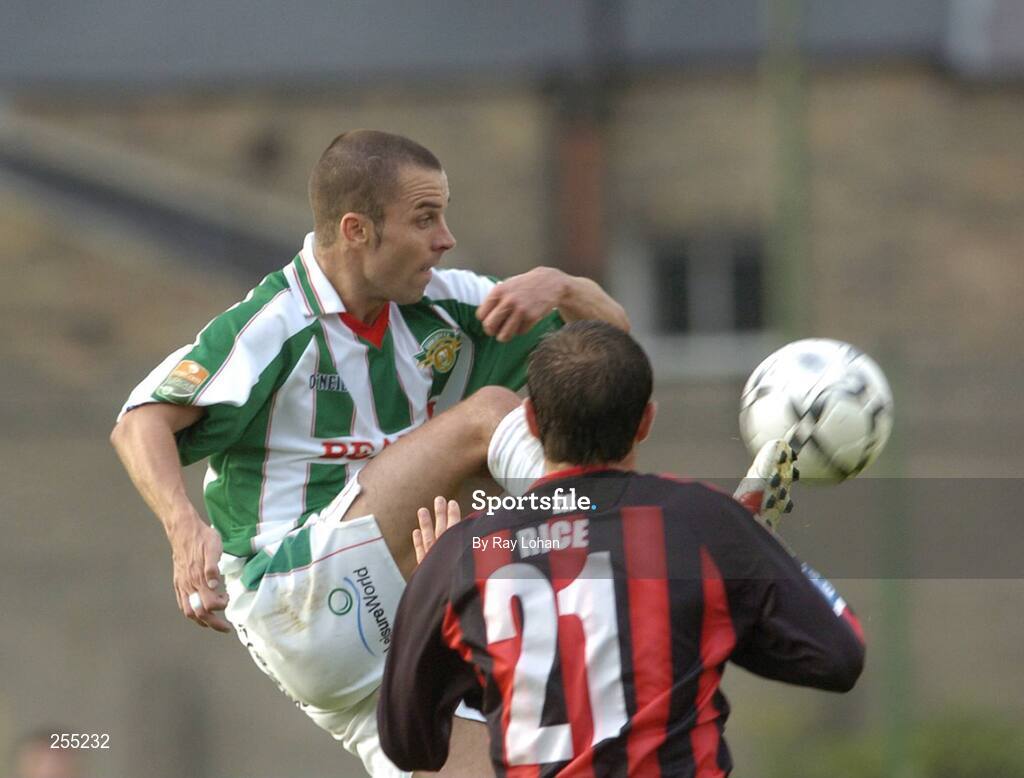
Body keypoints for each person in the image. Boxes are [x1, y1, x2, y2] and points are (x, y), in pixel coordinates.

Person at [110, 130, 629, 777]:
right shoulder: (278, 320)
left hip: (368, 652)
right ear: (356, 230)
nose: (446, 238)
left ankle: (595, 567)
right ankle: (623, 547)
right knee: (494, 419)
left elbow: (613, 369)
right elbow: (140, 422)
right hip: (299, 585)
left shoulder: (449, 302)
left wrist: (562, 287)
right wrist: (184, 530)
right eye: (425, 217)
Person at [378, 321, 866, 776]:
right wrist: (763, 554)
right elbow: (837, 656)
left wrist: (451, 615)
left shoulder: (462, 554)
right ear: (645, 422)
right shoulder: (705, 525)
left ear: (528, 419)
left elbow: (408, 745)